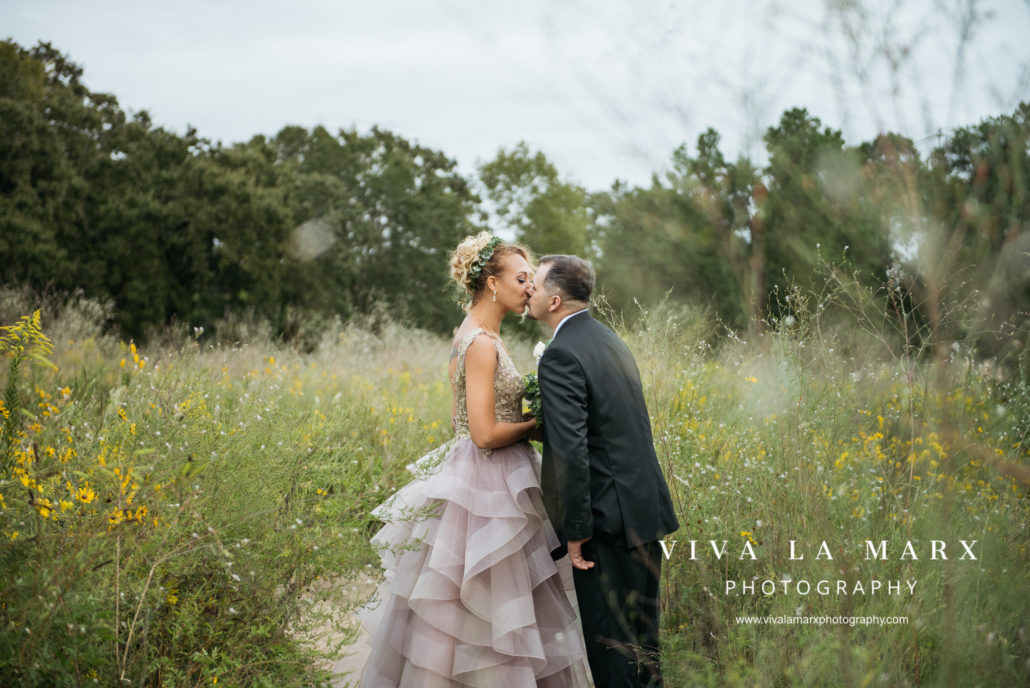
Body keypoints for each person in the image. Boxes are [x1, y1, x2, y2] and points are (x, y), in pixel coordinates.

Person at [358, 233, 593, 688]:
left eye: (532, 281)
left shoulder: (468, 333)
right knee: (491, 595)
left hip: (475, 470)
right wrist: (536, 426)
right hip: (490, 480)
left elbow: (459, 419)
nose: (529, 289)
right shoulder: (482, 344)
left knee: (470, 603)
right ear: (491, 283)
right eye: (522, 279)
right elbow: (484, 434)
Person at [526, 255, 680, 688]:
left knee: (613, 653)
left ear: (554, 300)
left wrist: (576, 530)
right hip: (645, 513)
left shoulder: (560, 355)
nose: (529, 294)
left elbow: (572, 452)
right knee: (644, 648)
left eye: (534, 287)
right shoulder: (610, 339)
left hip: (608, 525)